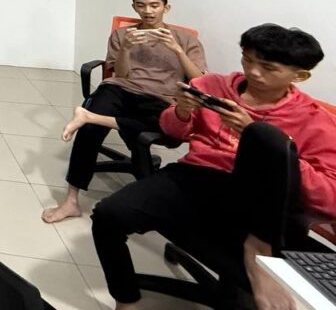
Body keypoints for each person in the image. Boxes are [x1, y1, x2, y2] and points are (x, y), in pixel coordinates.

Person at [91, 24, 336, 310]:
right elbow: (171, 132)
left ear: (300, 75)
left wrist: (259, 140)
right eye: (247, 59)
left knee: (266, 139)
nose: (253, 72)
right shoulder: (212, 86)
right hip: (196, 177)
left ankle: (256, 248)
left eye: (268, 68)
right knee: (108, 214)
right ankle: (125, 300)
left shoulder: (315, 121)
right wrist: (182, 111)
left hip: (261, 203)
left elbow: (329, 198)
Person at [42, 0, 206, 224]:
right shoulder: (122, 35)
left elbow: (199, 80)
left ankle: (92, 116)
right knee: (88, 130)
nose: (148, 11)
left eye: (154, 5)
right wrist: (127, 48)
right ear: (134, 7)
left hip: (161, 98)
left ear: (166, 7)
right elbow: (121, 74)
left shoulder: (186, 40)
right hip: (121, 90)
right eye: (141, 5)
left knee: (166, 127)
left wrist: (177, 49)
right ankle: (71, 201)